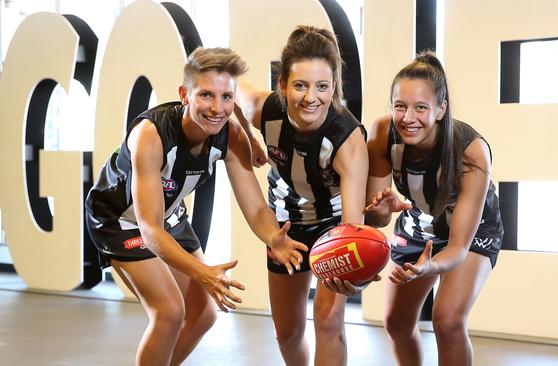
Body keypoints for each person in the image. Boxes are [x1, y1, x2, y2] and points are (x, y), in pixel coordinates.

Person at [85, 47, 307, 366]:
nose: (217, 108)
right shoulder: (151, 135)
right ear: (184, 94)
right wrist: (204, 272)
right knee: (170, 312)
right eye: (206, 95)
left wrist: (273, 237)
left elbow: (256, 207)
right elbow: (149, 230)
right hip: (120, 221)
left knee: (203, 314)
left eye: (226, 97)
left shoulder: (229, 135)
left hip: (169, 215)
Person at [236, 25, 369, 366]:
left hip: (333, 227)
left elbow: (352, 229)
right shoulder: (265, 111)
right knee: (288, 334)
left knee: (327, 320)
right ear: (282, 84)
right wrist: (248, 138)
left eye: (322, 86)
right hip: (284, 228)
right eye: (300, 85)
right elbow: (228, 81)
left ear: (334, 87)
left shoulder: (347, 140)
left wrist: (353, 271)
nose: (312, 97)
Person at [363, 51, 504, 366]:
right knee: (396, 323)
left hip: (470, 232)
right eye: (400, 106)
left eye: (420, 108)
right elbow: (377, 219)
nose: (408, 118)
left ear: (441, 110)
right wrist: (385, 209)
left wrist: (431, 267)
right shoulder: (382, 134)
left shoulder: (471, 152)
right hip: (417, 224)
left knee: (447, 320)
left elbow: (457, 248)